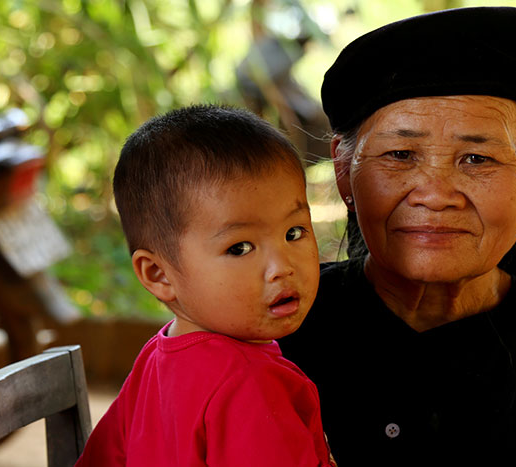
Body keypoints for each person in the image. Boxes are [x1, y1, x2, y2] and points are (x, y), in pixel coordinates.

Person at [279, 7, 516, 466]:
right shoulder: (276, 325)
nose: (436, 195)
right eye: (401, 154)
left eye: (476, 160)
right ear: (345, 172)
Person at [76, 104, 335, 466]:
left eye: (294, 233)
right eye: (240, 248)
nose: (281, 268)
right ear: (158, 275)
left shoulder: (156, 360)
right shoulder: (250, 385)